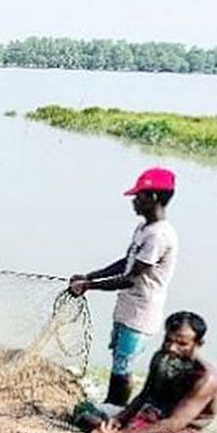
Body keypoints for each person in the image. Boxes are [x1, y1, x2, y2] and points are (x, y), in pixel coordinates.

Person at [69, 167, 179, 406]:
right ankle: (111, 404)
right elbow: (126, 263)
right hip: (127, 306)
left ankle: (116, 411)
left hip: (140, 313)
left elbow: (132, 278)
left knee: (124, 365)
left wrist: (89, 285)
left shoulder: (159, 236)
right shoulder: (144, 229)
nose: (134, 202)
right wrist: (89, 276)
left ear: (153, 198)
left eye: (138, 196)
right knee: (118, 358)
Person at [61, 311, 217, 433]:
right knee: (82, 409)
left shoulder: (205, 379)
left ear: (198, 344)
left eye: (182, 344)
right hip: (146, 419)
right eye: (168, 340)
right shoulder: (162, 357)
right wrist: (118, 419)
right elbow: (145, 396)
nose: (171, 348)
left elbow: (174, 423)